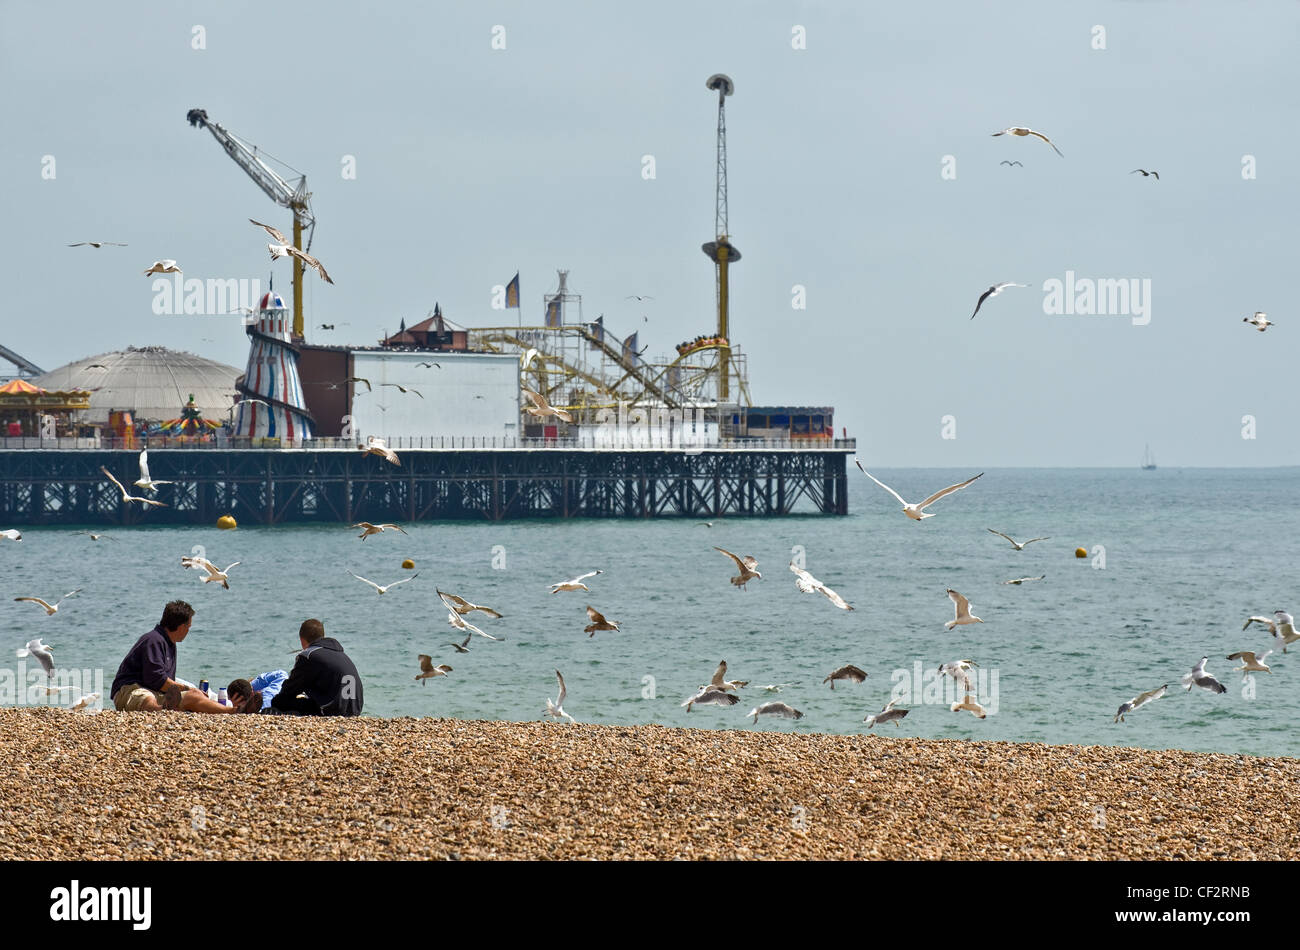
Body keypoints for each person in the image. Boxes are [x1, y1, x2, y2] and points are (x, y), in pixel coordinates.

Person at [111, 601, 248, 713]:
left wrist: (191, 692)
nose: (188, 630)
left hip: (157, 692)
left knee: (194, 696)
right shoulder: (153, 640)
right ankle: (161, 709)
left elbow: (164, 684)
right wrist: (186, 688)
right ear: (182, 627)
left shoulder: (169, 643)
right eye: (189, 626)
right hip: (131, 689)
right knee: (147, 698)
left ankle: (232, 711)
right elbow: (156, 679)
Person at [270, 619, 363, 716]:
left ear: (302, 639)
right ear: (322, 636)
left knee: (279, 702)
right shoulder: (341, 654)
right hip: (355, 710)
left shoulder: (309, 655)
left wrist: (277, 700)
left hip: (331, 710)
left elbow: (290, 688)